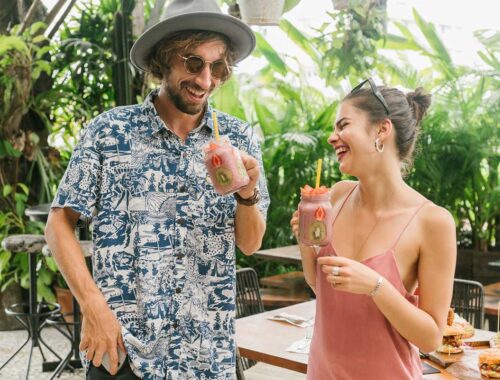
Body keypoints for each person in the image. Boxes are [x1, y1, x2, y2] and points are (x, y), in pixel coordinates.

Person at [44, 0, 269, 379]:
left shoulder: (237, 138)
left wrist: (246, 194)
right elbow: (58, 224)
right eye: (193, 63)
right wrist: (93, 306)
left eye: (217, 67)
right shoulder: (110, 132)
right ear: (163, 60)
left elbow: (250, 243)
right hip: (123, 350)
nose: (205, 80)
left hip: (206, 355)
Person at [290, 78, 456, 379]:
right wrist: (306, 242)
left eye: (343, 125)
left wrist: (376, 286)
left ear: (382, 130)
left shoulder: (433, 222)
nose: (332, 137)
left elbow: (431, 337)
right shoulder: (336, 196)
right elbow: (320, 285)